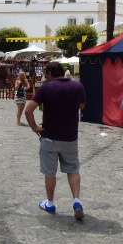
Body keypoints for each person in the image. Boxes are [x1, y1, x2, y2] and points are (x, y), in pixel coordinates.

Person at [24, 61, 86, 220]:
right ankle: (77, 201)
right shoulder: (77, 86)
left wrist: (35, 128)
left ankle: (50, 203)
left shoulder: (46, 88)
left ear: (50, 73)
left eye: (46, 74)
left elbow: (28, 110)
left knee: (50, 172)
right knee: (73, 170)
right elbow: (82, 106)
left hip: (49, 137)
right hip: (70, 137)